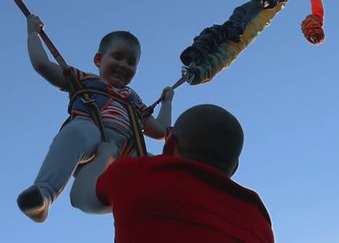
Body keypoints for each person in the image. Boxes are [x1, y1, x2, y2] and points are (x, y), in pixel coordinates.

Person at [17, 14, 174, 223]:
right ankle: (44, 194)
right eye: (117, 57)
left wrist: (167, 103)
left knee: (158, 167)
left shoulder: (134, 100)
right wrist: (33, 34)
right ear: (99, 60)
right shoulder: (86, 81)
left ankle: (162, 214)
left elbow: (161, 131)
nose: (123, 65)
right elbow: (42, 65)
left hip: (127, 148)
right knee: (76, 132)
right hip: (93, 133)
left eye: (131, 62)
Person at [72, 104, 275, 243]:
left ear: (170, 146)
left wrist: (104, 156)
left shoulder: (139, 174)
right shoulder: (258, 216)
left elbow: (81, 197)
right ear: (234, 167)